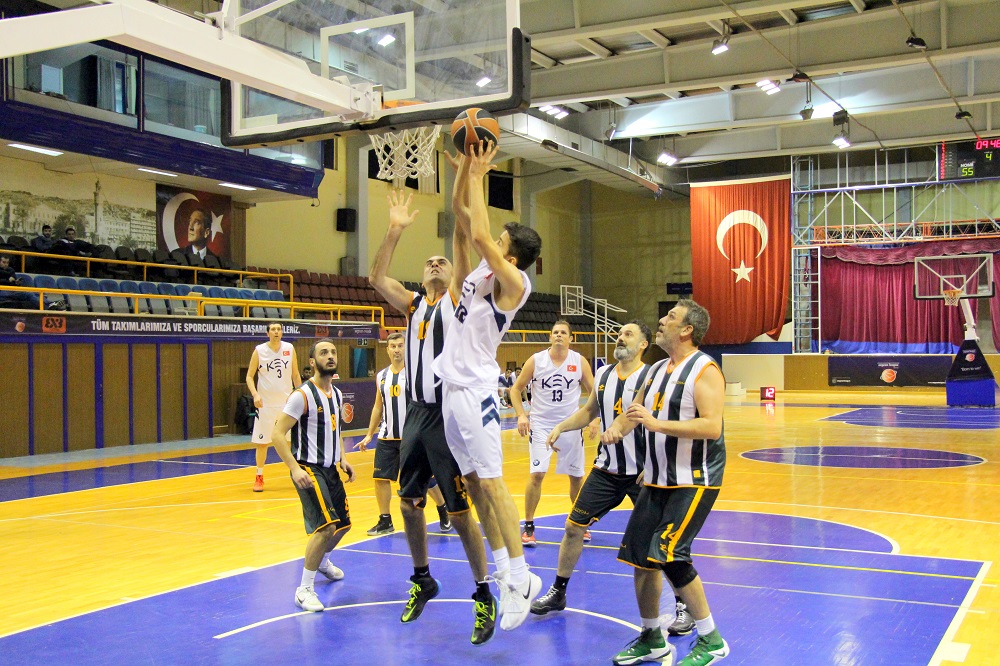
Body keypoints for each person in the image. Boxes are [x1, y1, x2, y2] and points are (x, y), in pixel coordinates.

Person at [368, 156, 501, 645]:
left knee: (460, 511)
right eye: (428, 262)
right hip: (417, 415)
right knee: (408, 502)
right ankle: (423, 578)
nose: (434, 263)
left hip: (451, 413)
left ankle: (484, 592)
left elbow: (463, 239)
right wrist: (394, 230)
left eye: (441, 261)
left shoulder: (456, 301)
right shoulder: (413, 304)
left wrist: (467, 177)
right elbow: (376, 278)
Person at [432, 142, 544, 633]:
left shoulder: (514, 284)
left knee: (493, 483)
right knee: (474, 484)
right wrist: (463, 173)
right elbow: (463, 218)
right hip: (451, 388)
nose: (490, 242)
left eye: (500, 241)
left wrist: (479, 174)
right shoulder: (479, 272)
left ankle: (520, 577)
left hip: (477, 391)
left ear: (511, 255)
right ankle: (505, 572)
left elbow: (478, 231)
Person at [605, 300, 729, 666]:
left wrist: (656, 424)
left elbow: (712, 426)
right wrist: (615, 430)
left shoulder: (705, 369)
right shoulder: (658, 369)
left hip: (693, 479)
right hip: (656, 480)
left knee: (671, 553)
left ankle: (712, 640)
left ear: (687, 330)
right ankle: (651, 638)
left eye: (671, 317)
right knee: (642, 558)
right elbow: (635, 412)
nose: (662, 320)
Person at [528, 320, 651, 615]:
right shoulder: (604, 374)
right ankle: (558, 592)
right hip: (606, 470)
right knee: (573, 527)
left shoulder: (651, 377)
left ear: (643, 344)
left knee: (659, 537)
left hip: (642, 472)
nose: (620, 338)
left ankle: (682, 602)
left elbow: (658, 420)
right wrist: (561, 426)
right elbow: (588, 411)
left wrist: (656, 464)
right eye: (619, 333)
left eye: (628, 334)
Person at [270, 338, 354, 613]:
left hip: (331, 469)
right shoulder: (302, 395)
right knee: (326, 527)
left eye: (333, 352)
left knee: (343, 525)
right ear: (312, 361)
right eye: (323, 352)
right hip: (308, 468)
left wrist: (342, 457)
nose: (330, 356)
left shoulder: (337, 394)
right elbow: (277, 434)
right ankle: (304, 589)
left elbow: (335, 430)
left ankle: (322, 561)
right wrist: (294, 468)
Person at [357, 331, 452, 536]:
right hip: (387, 436)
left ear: (406, 348)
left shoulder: (414, 374)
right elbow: (378, 406)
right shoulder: (381, 376)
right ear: (387, 350)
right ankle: (385, 520)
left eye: (400, 346)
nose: (397, 350)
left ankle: (443, 509)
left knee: (425, 480)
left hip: (412, 436)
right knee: (380, 478)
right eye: (393, 346)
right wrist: (369, 434)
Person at [509, 320, 595, 547]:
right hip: (542, 425)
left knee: (576, 476)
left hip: (570, 425)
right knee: (537, 474)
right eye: (555, 332)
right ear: (549, 337)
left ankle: (580, 522)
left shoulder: (579, 361)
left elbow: (594, 392)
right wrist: (521, 415)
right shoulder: (536, 360)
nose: (558, 335)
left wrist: (594, 418)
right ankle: (528, 525)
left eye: (563, 332)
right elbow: (515, 389)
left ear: (570, 338)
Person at [245, 322, 301, 492]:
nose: (276, 332)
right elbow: (249, 376)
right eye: (273, 329)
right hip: (266, 405)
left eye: (279, 329)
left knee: (291, 441)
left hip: (287, 404)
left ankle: (298, 473)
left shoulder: (289, 348)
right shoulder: (259, 350)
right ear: (267, 333)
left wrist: (300, 394)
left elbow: (295, 374)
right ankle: (259, 476)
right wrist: (255, 394)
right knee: (262, 443)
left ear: (282, 332)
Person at [0, 254, 66, 310]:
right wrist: (8, 281)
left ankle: (50, 304)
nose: (6, 264)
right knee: (28, 294)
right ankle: (47, 307)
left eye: (7, 263)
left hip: (12, 290)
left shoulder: (11, 270)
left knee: (37, 292)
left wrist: (16, 283)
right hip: (2, 291)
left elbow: (13, 283)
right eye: (4, 262)